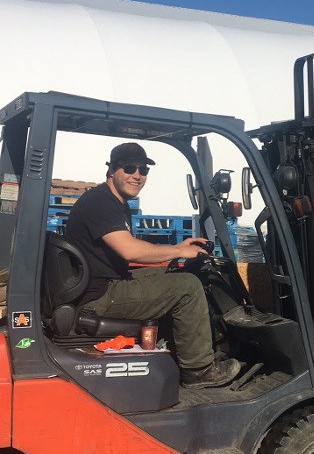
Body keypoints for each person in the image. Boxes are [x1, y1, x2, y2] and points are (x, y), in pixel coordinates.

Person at [65, 142, 240, 389]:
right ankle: (198, 370)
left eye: (143, 170)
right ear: (112, 170)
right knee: (187, 287)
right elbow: (129, 249)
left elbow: (127, 248)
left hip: (105, 283)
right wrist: (179, 250)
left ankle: (178, 347)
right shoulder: (100, 202)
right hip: (100, 295)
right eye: (129, 168)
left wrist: (178, 249)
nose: (137, 175)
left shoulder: (114, 202)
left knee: (173, 273)